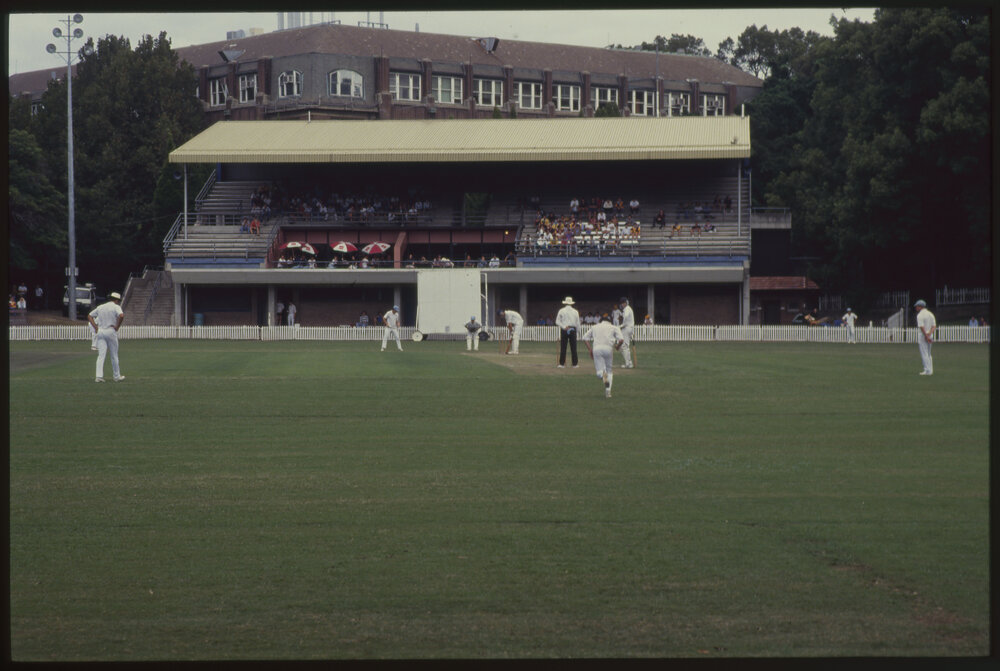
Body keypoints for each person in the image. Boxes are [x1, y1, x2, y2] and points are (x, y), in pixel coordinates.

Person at [582, 314, 624, 398]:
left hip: (597, 348)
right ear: (610, 321)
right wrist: (617, 347)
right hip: (608, 349)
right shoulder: (614, 327)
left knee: (599, 373)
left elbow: (585, 338)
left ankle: (602, 375)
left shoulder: (595, 327)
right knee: (609, 371)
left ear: (601, 320)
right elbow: (621, 340)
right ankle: (608, 391)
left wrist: (590, 350)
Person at [87, 291, 125, 382]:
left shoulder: (101, 307)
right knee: (114, 355)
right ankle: (116, 376)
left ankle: (99, 376)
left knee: (101, 355)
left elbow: (89, 316)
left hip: (100, 331)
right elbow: (121, 315)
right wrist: (117, 326)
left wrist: (95, 327)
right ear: (116, 300)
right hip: (110, 331)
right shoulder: (116, 307)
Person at [555, 296, 581, 368]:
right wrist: (578, 332)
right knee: (573, 347)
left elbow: (557, 321)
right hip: (573, 329)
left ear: (565, 303)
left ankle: (561, 364)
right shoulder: (575, 311)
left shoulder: (561, 310)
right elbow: (578, 323)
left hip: (564, 329)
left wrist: (564, 326)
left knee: (563, 347)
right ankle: (575, 364)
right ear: (571, 303)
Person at [914, 299, 936, 375]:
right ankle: (930, 370)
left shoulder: (920, 315)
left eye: (917, 306)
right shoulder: (931, 314)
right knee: (929, 353)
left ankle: (927, 370)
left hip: (923, 336)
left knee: (924, 353)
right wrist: (929, 334)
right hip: (930, 335)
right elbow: (934, 326)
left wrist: (926, 336)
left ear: (920, 307)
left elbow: (921, 327)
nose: (916, 308)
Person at [617, 297, 635, 368]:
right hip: (628, 328)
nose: (621, 305)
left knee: (624, 346)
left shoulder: (627, 308)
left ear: (624, 303)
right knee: (622, 346)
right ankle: (628, 362)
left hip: (627, 328)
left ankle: (629, 364)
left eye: (622, 303)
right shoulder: (627, 309)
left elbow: (626, 317)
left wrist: (622, 325)